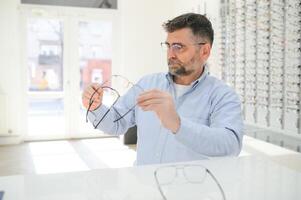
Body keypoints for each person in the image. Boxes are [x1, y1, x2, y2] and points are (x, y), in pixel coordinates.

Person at [82, 13, 243, 165]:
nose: (170, 54)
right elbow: (116, 124)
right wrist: (96, 107)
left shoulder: (222, 95)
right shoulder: (147, 84)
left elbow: (230, 146)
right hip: (144, 189)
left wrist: (178, 124)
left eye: (179, 47)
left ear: (204, 51)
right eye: (168, 46)